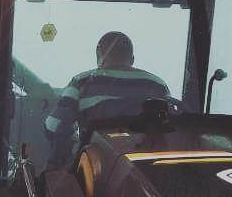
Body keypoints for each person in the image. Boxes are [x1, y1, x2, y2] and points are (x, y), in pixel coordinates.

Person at [44, 31, 170, 165]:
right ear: (132, 59)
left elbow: (53, 126)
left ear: (99, 57)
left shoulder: (82, 82)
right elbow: (170, 130)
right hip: (147, 169)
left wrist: (76, 144)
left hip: (97, 171)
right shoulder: (158, 85)